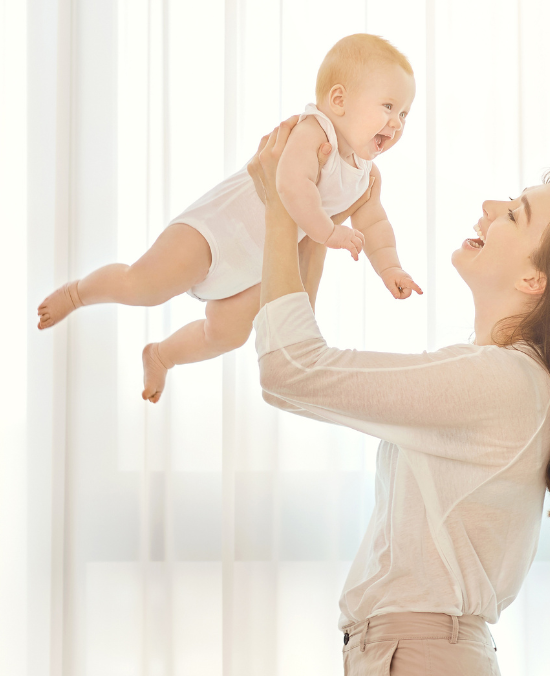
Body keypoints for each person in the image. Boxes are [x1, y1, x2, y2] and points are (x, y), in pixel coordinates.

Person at [246, 118, 550, 676]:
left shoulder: (500, 384)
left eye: (514, 215)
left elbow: (290, 369)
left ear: (535, 281)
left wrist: (275, 211)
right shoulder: (502, 380)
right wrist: (309, 223)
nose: (490, 208)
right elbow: (300, 365)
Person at [36, 33, 421, 403]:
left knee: (226, 334)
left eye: (404, 113)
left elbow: (375, 225)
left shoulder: (367, 176)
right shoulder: (314, 131)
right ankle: (77, 293)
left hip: (255, 268)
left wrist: (391, 269)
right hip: (215, 234)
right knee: (143, 287)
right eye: (388, 107)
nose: (398, 122)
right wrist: (329, 232)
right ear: (338, 99)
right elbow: (290, 186)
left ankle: (162, 356)